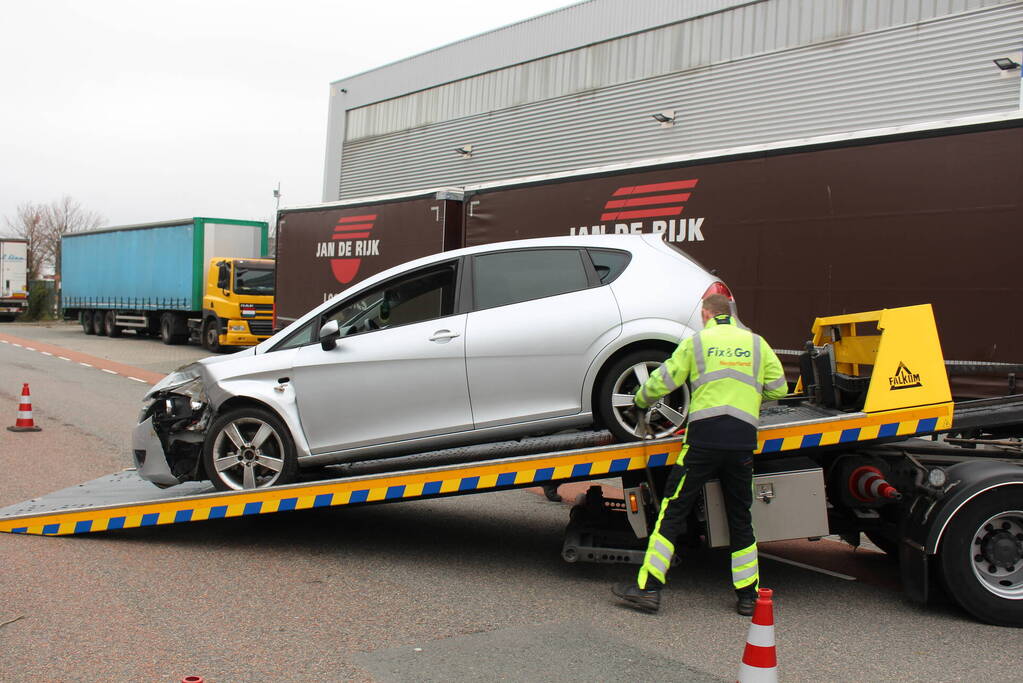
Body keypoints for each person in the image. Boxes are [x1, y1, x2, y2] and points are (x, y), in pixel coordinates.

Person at [611, 293, 787, 616]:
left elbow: (663, 381)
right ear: (731, 315)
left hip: (703, 442)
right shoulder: (757, 344)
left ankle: (649, 589)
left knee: (673, 510)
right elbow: (780, 388)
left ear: (707, 314)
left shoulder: (698, 343)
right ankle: (748, 597)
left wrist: (638, 401)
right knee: (741, 518)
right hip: (741, 444)